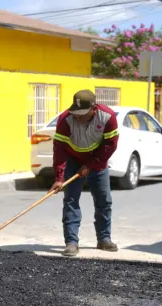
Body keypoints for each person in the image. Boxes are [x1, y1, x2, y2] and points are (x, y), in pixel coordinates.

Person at [50, 90, 120, 257]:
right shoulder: (65, 120)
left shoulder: (107, 117)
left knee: (104, 200)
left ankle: (104, 239)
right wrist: (59, 178)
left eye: (82, 114)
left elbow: (110, 145)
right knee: (71, 200)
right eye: (76, 113)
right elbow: (59, 150)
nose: (77, 117)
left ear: (93, 109)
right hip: (73, 159)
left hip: (98, 161)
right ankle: (71, 242)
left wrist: (91, 164)